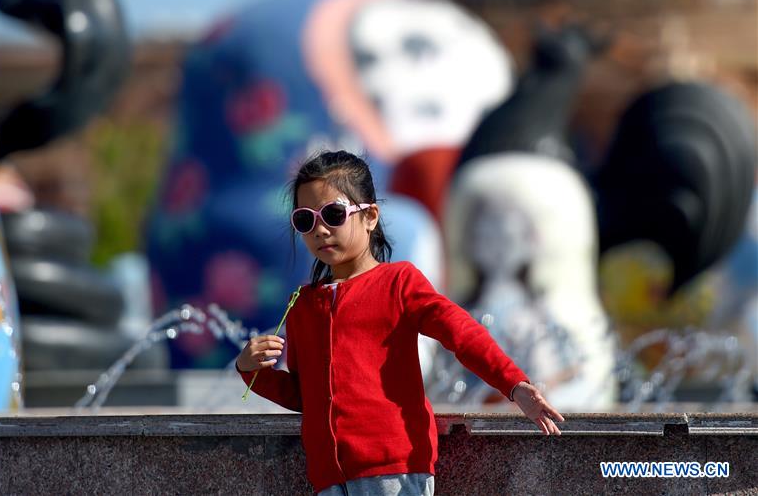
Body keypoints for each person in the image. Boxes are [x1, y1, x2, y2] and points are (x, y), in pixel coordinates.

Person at [236, 150, 564, 495]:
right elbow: (308, 396)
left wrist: (513, 384)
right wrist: (252, 371)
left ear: (370, 217)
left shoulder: (399, 283)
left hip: (395, 471)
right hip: (328, 478)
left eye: (333, 214)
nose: (319, 229)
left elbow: (462, 334)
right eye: (305, 220)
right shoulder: (303, 306)